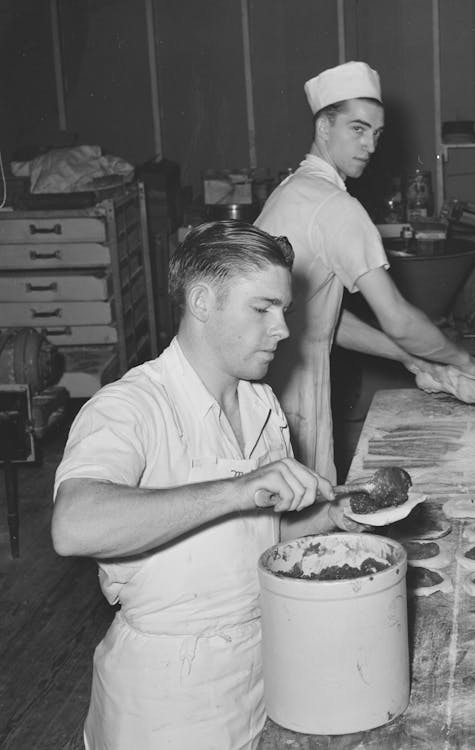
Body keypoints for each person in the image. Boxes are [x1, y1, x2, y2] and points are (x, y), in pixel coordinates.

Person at [51, 221, 357, 749]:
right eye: (262, 308)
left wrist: (330, 519)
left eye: (282, 309)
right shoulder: (131, 406)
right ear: (201, 301)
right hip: (169, 700)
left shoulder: (260, 403)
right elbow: (74, 526)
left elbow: (260, 538)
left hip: (261, 673)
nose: (282, 329)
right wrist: (237, 488)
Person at [256, 61, 475, 480]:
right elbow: (398, 318)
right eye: (357, 129)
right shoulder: (336, 207)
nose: (369, 145)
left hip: (267, 384)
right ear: (324, 127)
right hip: (289, 395)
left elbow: (321, 317)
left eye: (376, 134)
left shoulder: (295, 188)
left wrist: (412, 359)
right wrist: (462, 359)